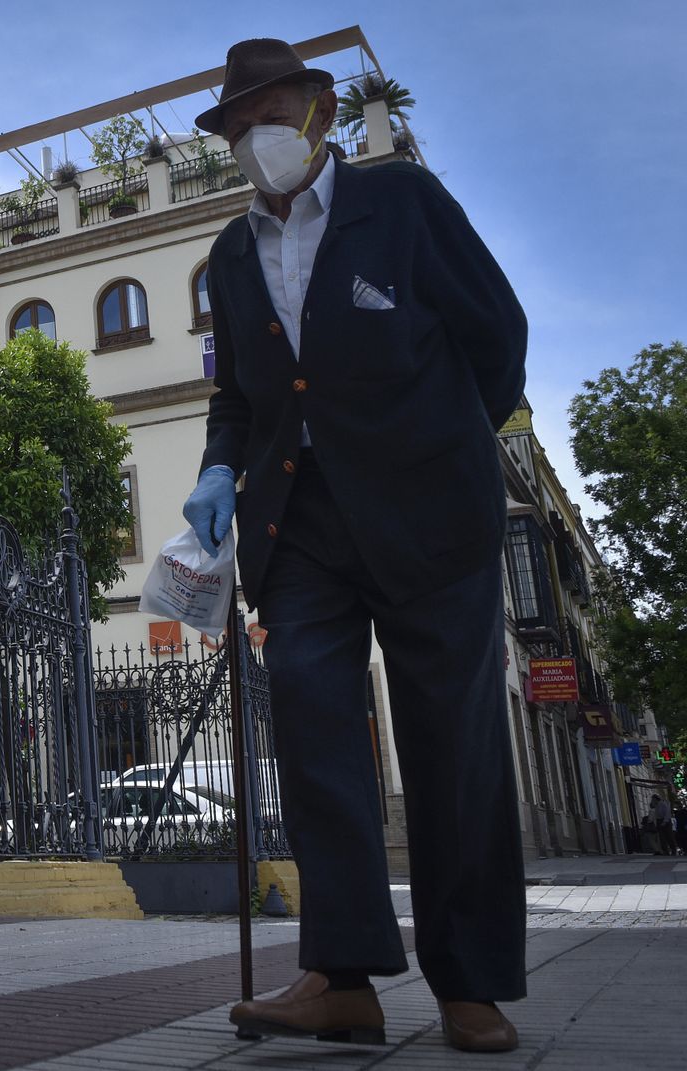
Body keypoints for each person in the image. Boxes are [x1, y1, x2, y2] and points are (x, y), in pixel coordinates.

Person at [181, 40, 528, 1053]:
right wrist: (216, 470)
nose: (255, 136)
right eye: (236, 126)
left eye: (269, 112)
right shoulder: (232, 255)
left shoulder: (404, 205)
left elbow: (495, 337)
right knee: (318, 741)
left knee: (450, 746)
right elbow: (237, 396)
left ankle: (470, 983)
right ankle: (341, 979)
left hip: (431, 519)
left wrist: (444, 445)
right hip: (300, 529)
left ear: (321, 110)